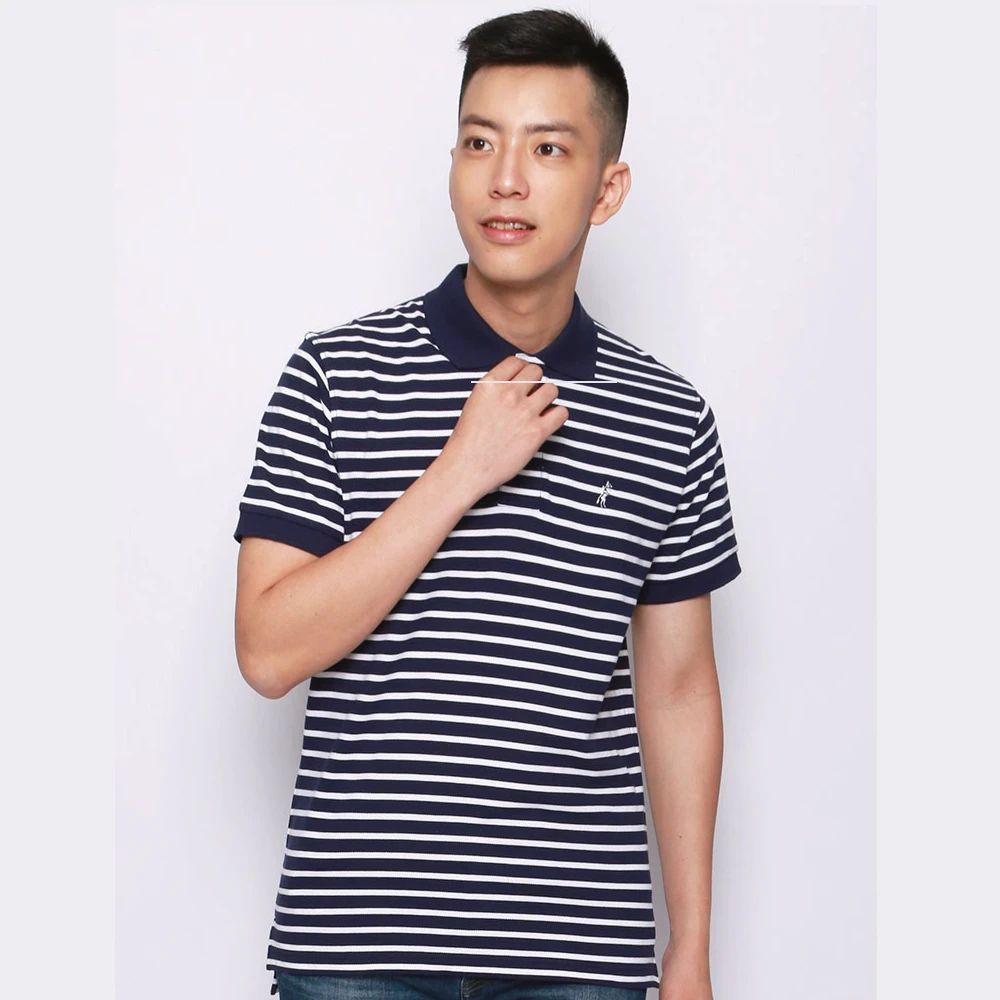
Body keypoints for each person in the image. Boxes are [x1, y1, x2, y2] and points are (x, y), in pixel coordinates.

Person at [233, 9, 741, 1000]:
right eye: (478, 142)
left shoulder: (669, 418)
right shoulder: (335, 376)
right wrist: (459, 470)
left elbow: (680, 690)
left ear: (606, 189)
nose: (505, 179)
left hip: (577, 956)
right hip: (357, 952)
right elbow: (267, 651)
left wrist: (689, 948)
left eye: (547, 148)